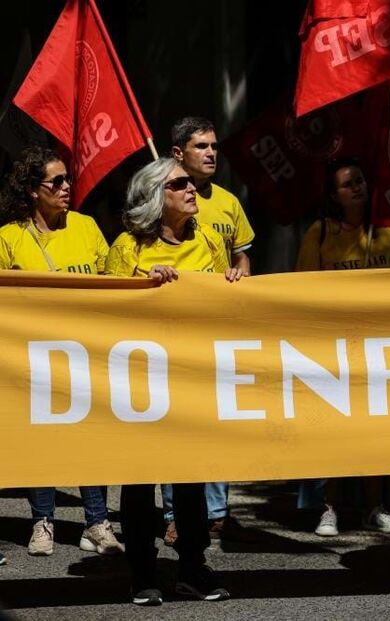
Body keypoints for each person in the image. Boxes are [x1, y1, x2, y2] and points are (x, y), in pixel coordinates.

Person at [106, 157, 238, 606]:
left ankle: (192, 567)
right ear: (155, 199)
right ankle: (142, 572)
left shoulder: (206, 241)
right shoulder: (127, 247)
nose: (192, 189)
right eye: (180, 184)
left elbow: (223, 303)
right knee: (140, 480)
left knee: (190, 481)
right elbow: (100, 317)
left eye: (191, 184)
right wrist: (146, 289)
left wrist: (233, 283)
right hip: (141, 383)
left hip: (191, 378)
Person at [0, 146, 122, 558]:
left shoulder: (86, 227)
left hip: (85, 354)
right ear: (33, 190)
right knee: (43, 440)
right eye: (57, 181)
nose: (67, 187)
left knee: (90, 438)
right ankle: (43, 520)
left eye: (68, 179)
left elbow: (112, 281)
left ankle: (97, 522)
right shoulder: (8, 237)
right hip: (32, 359)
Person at [294, 157, 390, 536]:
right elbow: (303, 289)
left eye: (359, 180)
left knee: (375, 431)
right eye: (346, 184)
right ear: (332, 195)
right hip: (332, 349)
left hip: (378, 349)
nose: (356, 187)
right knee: (334, 432)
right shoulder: (320, 234)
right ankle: (329, 508)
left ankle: (376, 506)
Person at [162, 116, 256, 543]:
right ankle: (174, 513)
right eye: (201, 146)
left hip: (216, 329)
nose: (212, 153)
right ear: (178, 154)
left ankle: (216, 510)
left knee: (216, 418)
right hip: (170, 333)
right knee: (176, 420)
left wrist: (240, 279)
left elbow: (242, 258)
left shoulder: (229, 202)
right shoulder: (158, 197)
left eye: (215, 146)